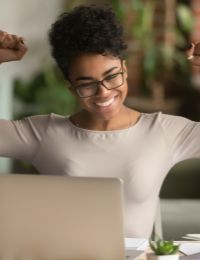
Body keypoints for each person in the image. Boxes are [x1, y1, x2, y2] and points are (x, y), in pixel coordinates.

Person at [0, 5, 200, 239]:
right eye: (86, 83)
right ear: (71, 88)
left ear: (124, 69)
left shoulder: (164, 131)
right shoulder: (43, 134)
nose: (103, 93)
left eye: (112, 76)